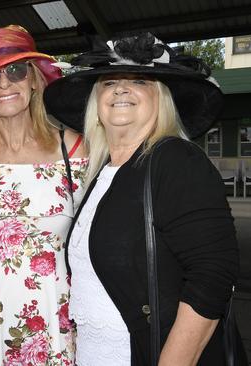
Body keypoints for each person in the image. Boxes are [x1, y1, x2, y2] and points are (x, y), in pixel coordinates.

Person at [43, 32, 243, 365]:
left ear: (161, 99)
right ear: (96, 106)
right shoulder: (103, 173)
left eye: (139, 80)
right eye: (107, 83)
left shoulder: (176, 160)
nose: (120, 88)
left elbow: (213, 276)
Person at [0, 25, 88, 365]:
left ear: (35, 80)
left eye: (15, 71)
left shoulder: (76, 151)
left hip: (55, 317)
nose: (4, 84)